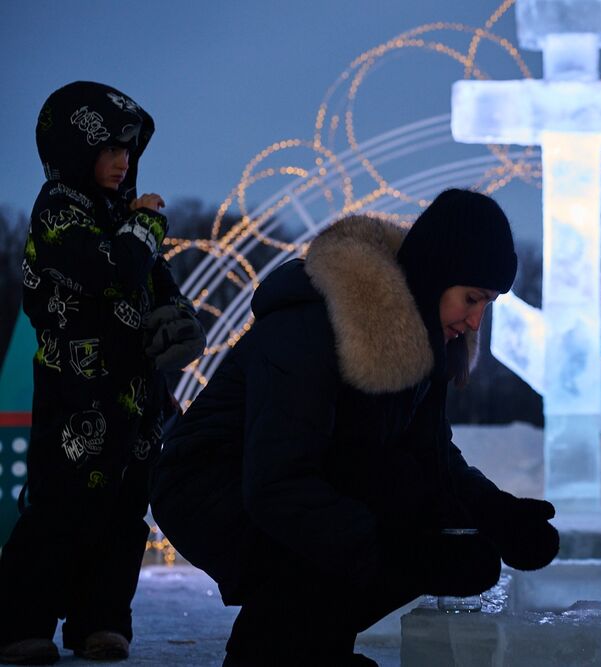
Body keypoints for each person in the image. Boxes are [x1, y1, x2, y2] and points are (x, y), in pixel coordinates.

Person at [150, 189, 561, 666]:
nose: (475, 321)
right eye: (472, 298)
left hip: (288, 481)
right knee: (388, 521)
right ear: (436, 274)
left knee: (415, 506)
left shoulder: (422, 343)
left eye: (486, 304)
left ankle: (310, 646)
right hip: (211, 484)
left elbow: (432, 460)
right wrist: (408, 555)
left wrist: (496, 515)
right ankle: (274, 652)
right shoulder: (316, 322)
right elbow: (279, 483)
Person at [0, 82, 205, 665]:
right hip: (76, 396)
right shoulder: (59, 209)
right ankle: (21, 623)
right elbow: (107, 270)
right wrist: (144, 231)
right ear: (74, 148)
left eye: (130, 150)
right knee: (58, 510)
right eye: (111, 149)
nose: (122, 162)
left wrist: (180, 320)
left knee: (122, 515)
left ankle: (102, 622)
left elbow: (156, 283)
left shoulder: (123, 214)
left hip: (134, 399)